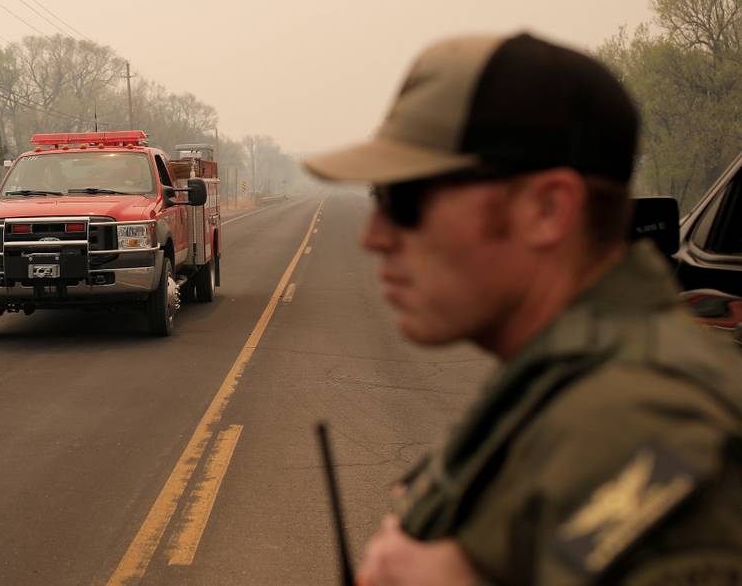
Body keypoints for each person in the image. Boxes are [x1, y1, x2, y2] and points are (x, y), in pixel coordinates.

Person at [303, 33, 742, 586]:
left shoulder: (648, 422)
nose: (375, 237)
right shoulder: (561, 381)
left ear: (547, 209)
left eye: (406, 202)